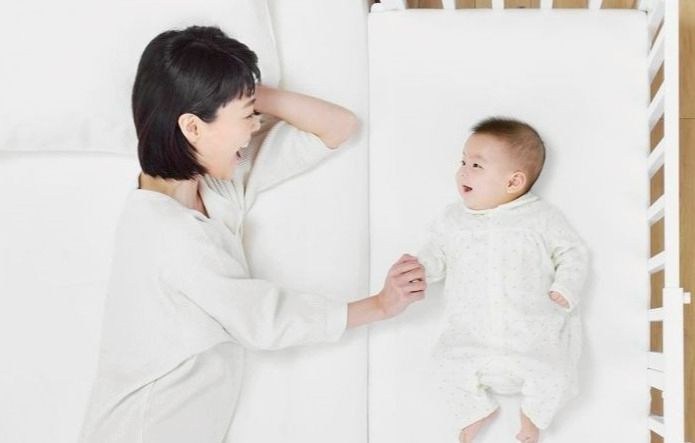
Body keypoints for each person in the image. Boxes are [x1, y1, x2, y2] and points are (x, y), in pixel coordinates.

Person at [79, 25, 426, 443]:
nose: (254, 127)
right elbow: (264, 320)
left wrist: (241, 90)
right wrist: (380, 306)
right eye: (246, 116)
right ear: (193, 128)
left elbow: (338, 125)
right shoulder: (168, 235)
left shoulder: (214, 186)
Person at [417, 117, 589, 443]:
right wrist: (420, 270)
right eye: (463, 162)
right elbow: (435, 253)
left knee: (559, 376)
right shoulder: (453, 220)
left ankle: (532, 417)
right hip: (470, 337)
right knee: (442, 367)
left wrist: (566, 287)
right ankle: (473, 411)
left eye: (476, 165)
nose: (463, 172)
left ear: (513, 182)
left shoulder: (541, 218)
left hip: (532, 338)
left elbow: (573, 253)